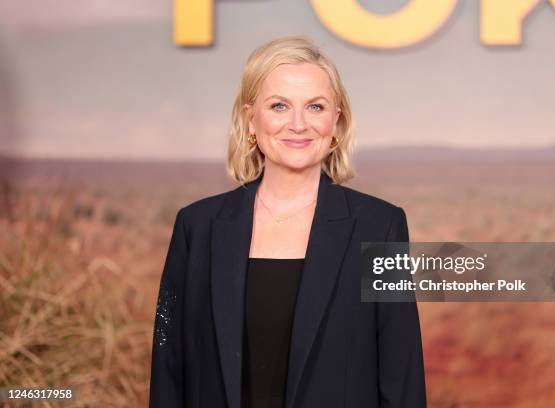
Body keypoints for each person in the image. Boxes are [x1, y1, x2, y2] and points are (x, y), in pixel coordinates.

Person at [149, 35, 426, 408]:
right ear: (251, 119)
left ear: (336, 120)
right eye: (279, 106)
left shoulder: (380, 227)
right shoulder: (197, 228)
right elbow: (169, 369)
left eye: (315, 107)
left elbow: (401, 375)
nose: (298, 124)